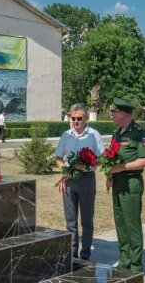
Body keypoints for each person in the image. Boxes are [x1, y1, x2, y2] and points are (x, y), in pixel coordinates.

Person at [107, 98, 145, 273]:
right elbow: (111, 158)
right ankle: (124, 260)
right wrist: (110, 174)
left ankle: (135, 265)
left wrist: (121, 167)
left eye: (113, 112)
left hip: (131, 183)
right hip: (118, 183)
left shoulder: (139, 133)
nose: (111, 115)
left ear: (122, 114)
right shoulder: (116, 133)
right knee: (121, 223)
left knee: (131, 224)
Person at [54, 103, 104, 260]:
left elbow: (102, 158)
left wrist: (88, 165)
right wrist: (64, 171)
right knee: (70, 221)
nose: (76, 121)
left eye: (79, 118)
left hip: (87, 180)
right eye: (73, 118)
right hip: (69, 181)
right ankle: (72, 254)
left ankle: (85, 255)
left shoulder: (94, 135)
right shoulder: (66, 135)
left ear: (86, 118)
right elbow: (58, 158)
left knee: (87, 221)